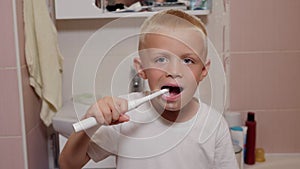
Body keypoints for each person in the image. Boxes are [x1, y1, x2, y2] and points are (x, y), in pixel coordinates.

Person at [59, 9, 239, 169]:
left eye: (187, 60)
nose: (174, 72)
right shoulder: (124, 117)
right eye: (161, 59)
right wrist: (92, 122)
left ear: (203, 70)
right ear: (141, 68)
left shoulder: (214, 126)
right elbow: (67, 164)